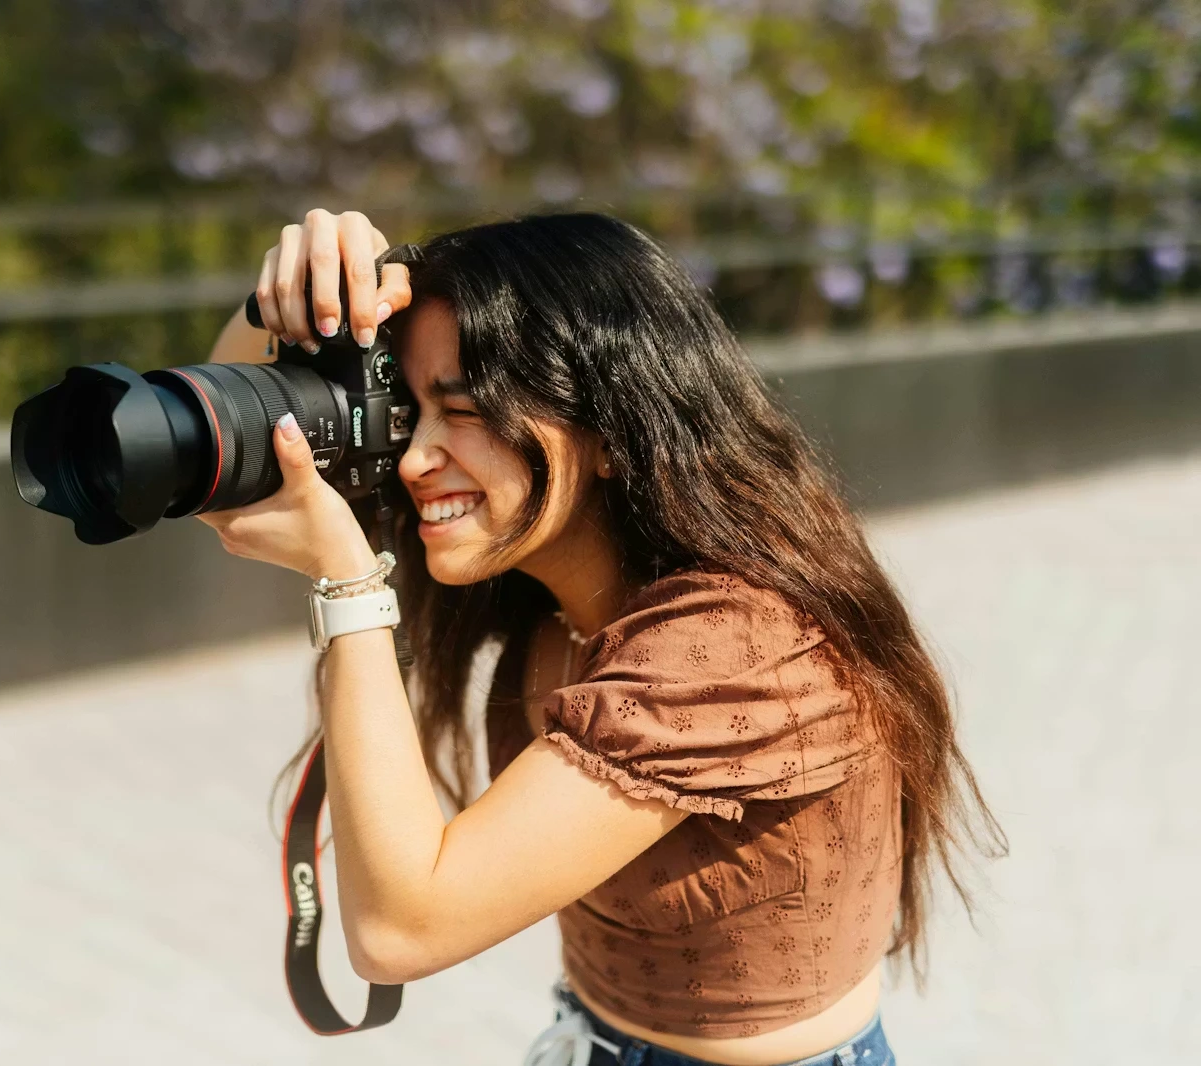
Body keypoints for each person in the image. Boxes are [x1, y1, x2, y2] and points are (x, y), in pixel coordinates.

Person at [201, 209, 1002, 1066]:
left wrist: (350, 588)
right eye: (409, 412)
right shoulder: (542, 578)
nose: (413, 459)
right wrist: (283, 307)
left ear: (613, 435)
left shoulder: (738, 646)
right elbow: (231, 474)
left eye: (463, 409)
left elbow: (401, 929)